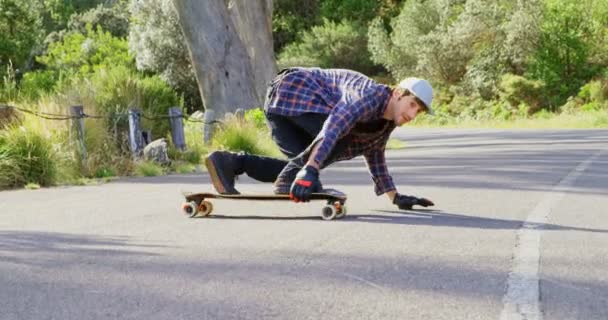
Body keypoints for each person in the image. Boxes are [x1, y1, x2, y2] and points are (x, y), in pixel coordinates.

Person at [204, 67, 434, 210]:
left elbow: (375, 156)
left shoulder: (385, 123)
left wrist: (394, 197)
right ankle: (297, 176)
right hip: (294, 91)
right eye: (412, 104)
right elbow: (334, 125)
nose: (412, 114)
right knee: (329, 148)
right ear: (397, 93)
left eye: (419, 111)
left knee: (299, 174)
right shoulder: (368, 96)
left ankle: (230, 162)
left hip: (288, 108)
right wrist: (312, 168)